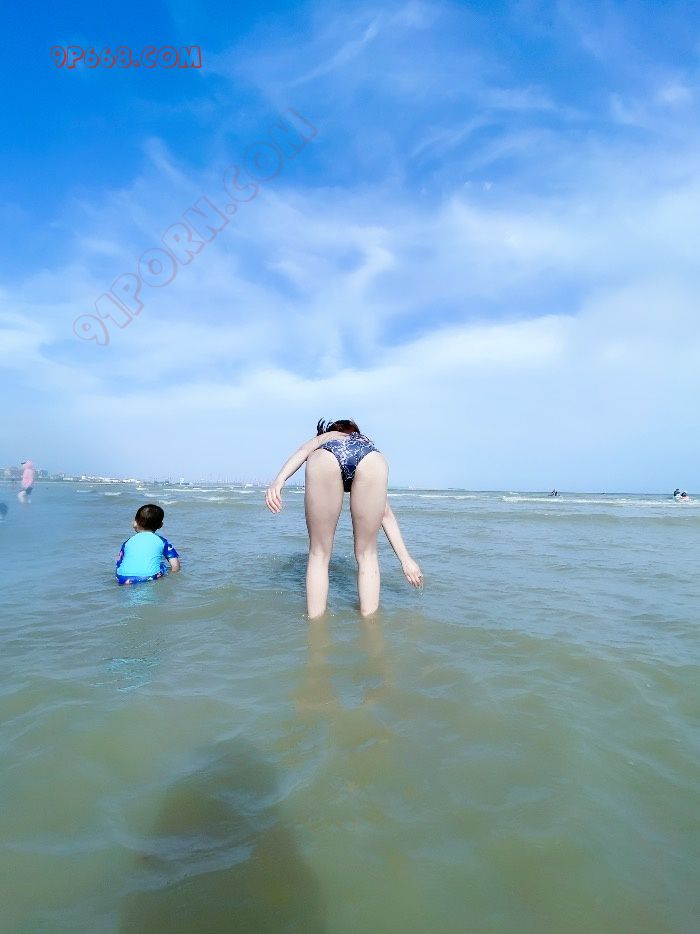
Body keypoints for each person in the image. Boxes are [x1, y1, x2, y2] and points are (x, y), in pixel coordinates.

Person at [265, 419, 423, 618]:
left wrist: (279, 480)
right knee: (367, 555)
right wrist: (406, 560)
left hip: (327, 457)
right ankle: (370, 625)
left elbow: (304, 450)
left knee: (319, 554)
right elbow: (385, 513)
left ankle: (316, 626)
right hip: (371, 459)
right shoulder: (363, 440)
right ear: (354, 431)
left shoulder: (327, 437)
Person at [115, 504, 181, 586]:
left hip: (122, 578)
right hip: (148, 577)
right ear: (160, 525)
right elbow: (175, 565)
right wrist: (172, 577)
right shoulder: (162, 541)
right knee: (163, 565)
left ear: (135, 523)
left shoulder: (127, 542)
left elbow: (118, 562)